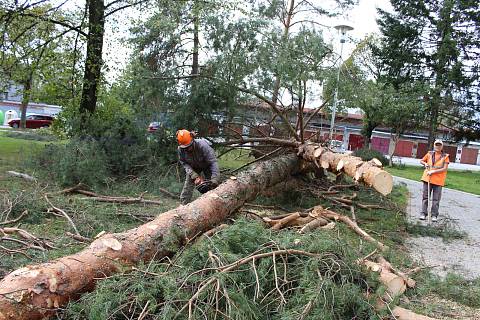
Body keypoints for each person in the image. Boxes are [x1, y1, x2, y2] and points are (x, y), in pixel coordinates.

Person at [176, 129, 220, 204]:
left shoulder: (203, 145)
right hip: (193, 167)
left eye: (188, 146)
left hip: (207, 165)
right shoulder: (181, 149)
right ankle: (183, 206)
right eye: (185, 147)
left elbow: (213, 162)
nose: (187, 149)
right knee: (187, 188)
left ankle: (215, 204)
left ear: (192, 139)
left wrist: (215, 179)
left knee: (212, 185)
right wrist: (194, 175)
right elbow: (184, 163)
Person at [419, 139, 449, 222]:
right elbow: (421, 160)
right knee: (425, 197)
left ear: (442, 146)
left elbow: (444, 168)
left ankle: (434, 215)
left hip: (438, 181)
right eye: (436, 145)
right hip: (427, 178)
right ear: (434, 145)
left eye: (439, 145)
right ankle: (423, 213)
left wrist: (433, 171)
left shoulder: (445, 156)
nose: (437, 146)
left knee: (436, 199)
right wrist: (425, 163)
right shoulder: (429, 153)